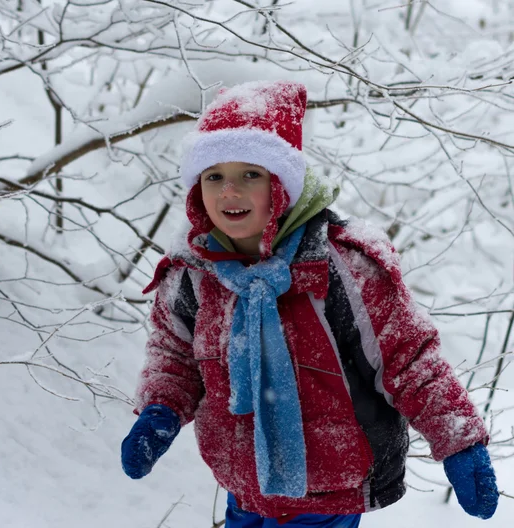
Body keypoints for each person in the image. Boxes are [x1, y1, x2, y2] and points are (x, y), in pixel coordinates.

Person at [120, 81, 499, 527]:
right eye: (214, 176)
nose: (230, 191)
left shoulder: (341, 267)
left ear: (282, 185)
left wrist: (459, 441)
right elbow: (175, 358)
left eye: (251, 174)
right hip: (246, 484)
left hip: (329, 488)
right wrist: (160, 409)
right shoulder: (193, 274)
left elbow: (409, 360)